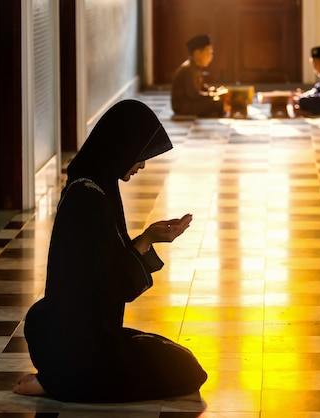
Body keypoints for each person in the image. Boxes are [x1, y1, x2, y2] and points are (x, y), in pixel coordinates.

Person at [13, 99, 207, 403]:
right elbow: (111, 285)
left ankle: (58, 375)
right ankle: (57, 381)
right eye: (140, 155)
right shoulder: (88, 201)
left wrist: (149, 238)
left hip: (76, 332)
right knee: (187, 371)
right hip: (80, 344)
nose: (142, 164)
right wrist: (145, 240)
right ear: (121, 146)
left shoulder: (92, 188)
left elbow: (106, 270)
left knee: (176, 355)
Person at [171, 34, 228, 117]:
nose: (210, 57)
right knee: (217, 104)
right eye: (208, 53)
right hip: (184, 106)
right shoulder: (187, 69)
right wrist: (215, 95)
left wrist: (215, 90)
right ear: (197, 53)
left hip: (192, 102)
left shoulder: (195, 67)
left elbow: (201, 87)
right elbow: (194, 94)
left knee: (218, 101)